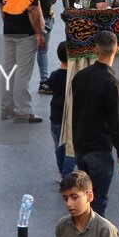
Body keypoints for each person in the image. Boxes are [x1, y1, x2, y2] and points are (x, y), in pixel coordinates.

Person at [70, 30, 119, 217]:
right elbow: (116, 123)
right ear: (117, 49)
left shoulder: (79, 77)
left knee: (83, 200)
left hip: (81, 146)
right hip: (100, 149)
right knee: (99, 201)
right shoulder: (112, 83)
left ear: (95, 49)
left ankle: (81, 236)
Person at [0, 0, 47, 123]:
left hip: (9, 30)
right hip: (25, 32)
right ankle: (23, 110)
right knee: (23, 74)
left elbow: (2, 7)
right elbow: (32, 10)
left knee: (8, 70)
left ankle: (6, 108)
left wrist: (9, 22)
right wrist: (39, 33)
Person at [53, 170, 119, 237]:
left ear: (89, 196)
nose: (69, 203)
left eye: (74, 197)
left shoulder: (106, 230)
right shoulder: (62, 225)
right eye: (65, 198)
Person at [47, 42, 77, 178]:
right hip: (71, 116)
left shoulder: (55, 75)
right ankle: (67, 173)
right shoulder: (76, 76)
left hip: (56, 116)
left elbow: (49, 86)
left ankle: (61, 172)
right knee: (71, 147)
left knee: (59, 146)